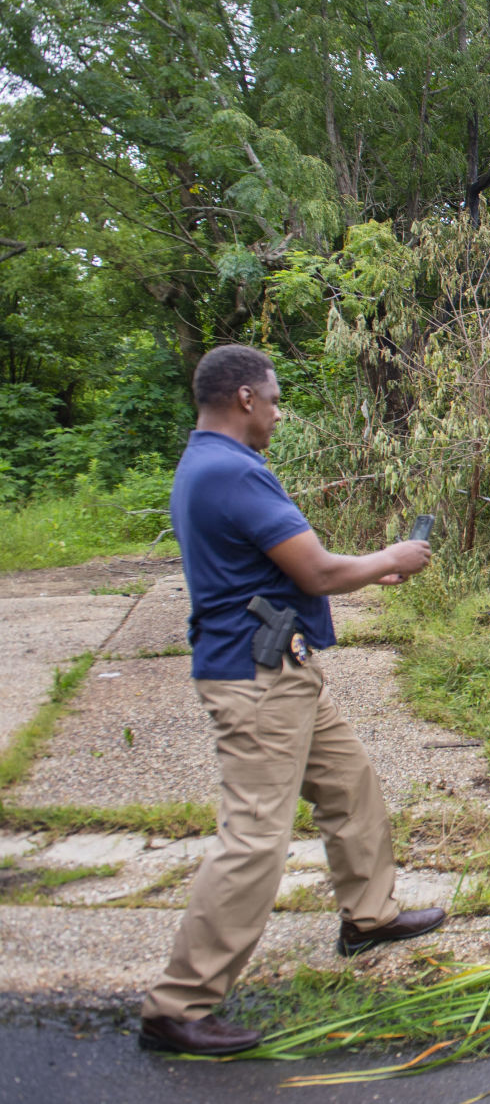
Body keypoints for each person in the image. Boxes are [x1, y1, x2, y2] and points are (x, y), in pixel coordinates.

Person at [139, 345, 443, 1056]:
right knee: (253, 841)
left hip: (281, 667)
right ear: (245, 397)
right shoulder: (230, 470)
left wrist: (364, 570)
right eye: (274, 398)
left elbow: (296, 569)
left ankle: (367, 916)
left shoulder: (210, 463)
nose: (279, 411)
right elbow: (317, 568)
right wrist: (390, 559)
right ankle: (178, 1003)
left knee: (349, 782)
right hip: (257, 681)